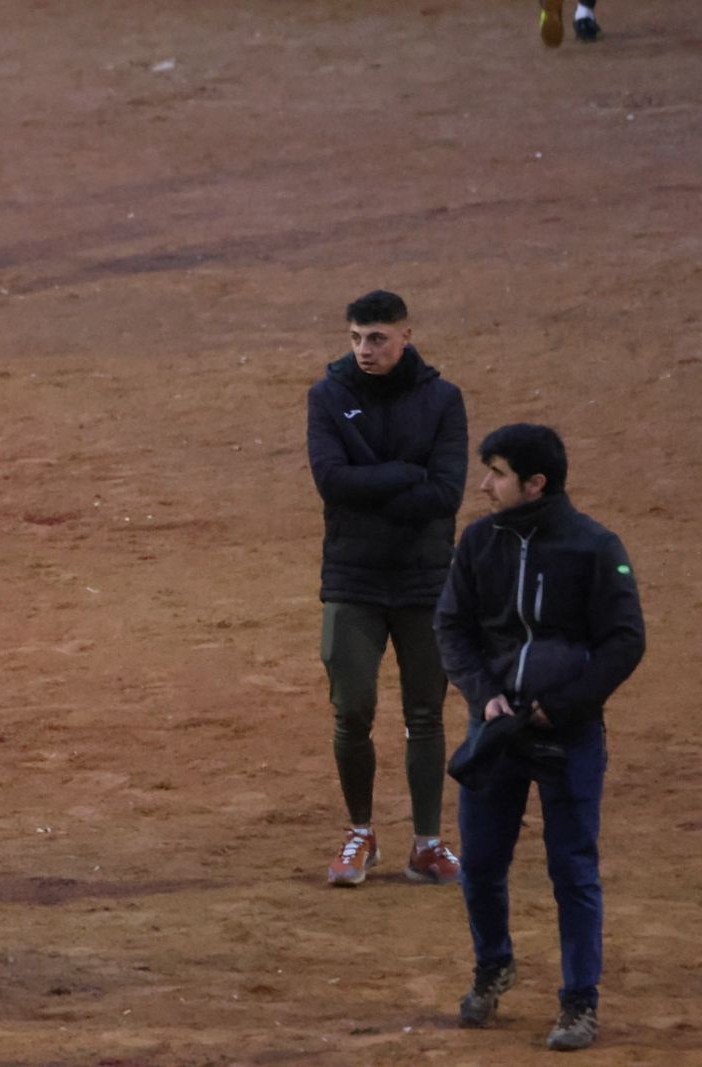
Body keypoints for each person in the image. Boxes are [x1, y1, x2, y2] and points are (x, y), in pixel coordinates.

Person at [436, 424, 644, 1052]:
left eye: (496, 473)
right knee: (481, 865)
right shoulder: (478, 542)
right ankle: (492, 966)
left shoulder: (595, 547)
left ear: (535, 483)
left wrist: (567, 705)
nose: (485, 484)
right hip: (497, 730)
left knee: (573, 870)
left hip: (569, 735)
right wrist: (482, 693)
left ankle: (580, 1002)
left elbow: (624, 641)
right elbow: (453, 626)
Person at [305, 290, 467, 887]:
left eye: (376, 338)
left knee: (426, 714)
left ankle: (427, 844)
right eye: (355, 338)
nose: (364, 350)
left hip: (426, 580)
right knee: (352, 711)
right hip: (352, 580)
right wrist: (405, 475)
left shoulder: (443, 400)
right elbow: (331, 481)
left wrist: (369, 486)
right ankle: (360, 834)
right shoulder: (327, 396)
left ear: (405, 335)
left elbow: (446, 493)